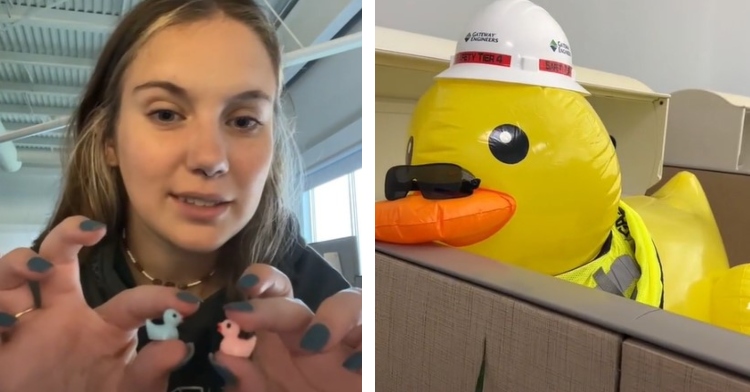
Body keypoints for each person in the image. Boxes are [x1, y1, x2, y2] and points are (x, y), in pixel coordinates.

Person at [0, 0, 362, 391]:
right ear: (109, 139)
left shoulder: (323, 316)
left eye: (243, 120)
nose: (210, 158)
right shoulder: (33, 310)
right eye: (166, 114)